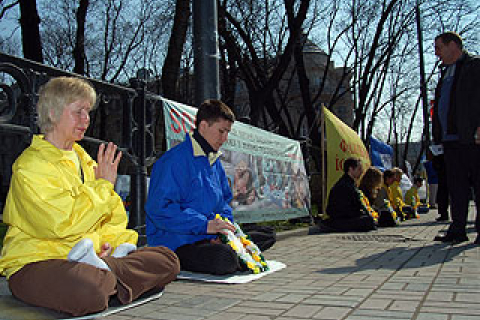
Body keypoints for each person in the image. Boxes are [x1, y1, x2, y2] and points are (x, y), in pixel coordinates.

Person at [0, 77, 180, 316]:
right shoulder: (30, 166)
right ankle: (110, 279)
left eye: (88, 112)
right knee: (90, 290)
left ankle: (106, 273)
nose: (86, 119)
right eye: (79, 111)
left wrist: (110, 246)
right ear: (52, 113)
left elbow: (112, 218)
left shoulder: (86, 161)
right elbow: (61, 223)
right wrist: (104, 185)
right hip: (38, 262)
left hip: (90, 260)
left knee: (168, 259)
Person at [145, 100, 241, 275]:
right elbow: (159, 209)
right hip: (176, 242)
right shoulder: (174, 161)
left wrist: (224, 230)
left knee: (265, 235)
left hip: (207, 237)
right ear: (203, 126)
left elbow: (224, 203)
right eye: (221, 131)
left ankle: (224, 250)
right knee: (225, 259)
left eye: (227, 132)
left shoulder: (214, 162)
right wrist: (204, 226)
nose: (224, 138)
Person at [431, 32, 480, 244]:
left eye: (439, 47)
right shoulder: (445, 72)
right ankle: (457, 229)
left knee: (479, 184)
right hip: (450, 140)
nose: (436, 53)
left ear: (453, 45)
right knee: (456, 187)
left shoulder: (474, 66)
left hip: (472, 137)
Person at [322, 157, 376, 232]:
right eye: (359, 169)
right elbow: (347, 209)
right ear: (351, 169)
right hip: (340, 219)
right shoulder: (345, 185)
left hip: (344, 217)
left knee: (369, 219)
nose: (361, 172)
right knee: (368, 221)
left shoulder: (349, 183)